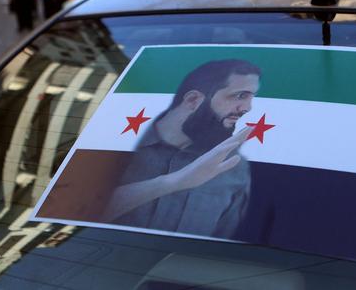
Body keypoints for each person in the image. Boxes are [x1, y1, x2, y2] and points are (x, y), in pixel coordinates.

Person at [105, 59, 261, 237]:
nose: (247, 108)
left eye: (251, 97)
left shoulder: (233, 166)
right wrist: (172, 182)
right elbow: (79, 210)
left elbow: (218, 247)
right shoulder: (112, 146)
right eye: (240, 96)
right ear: (193, 99)